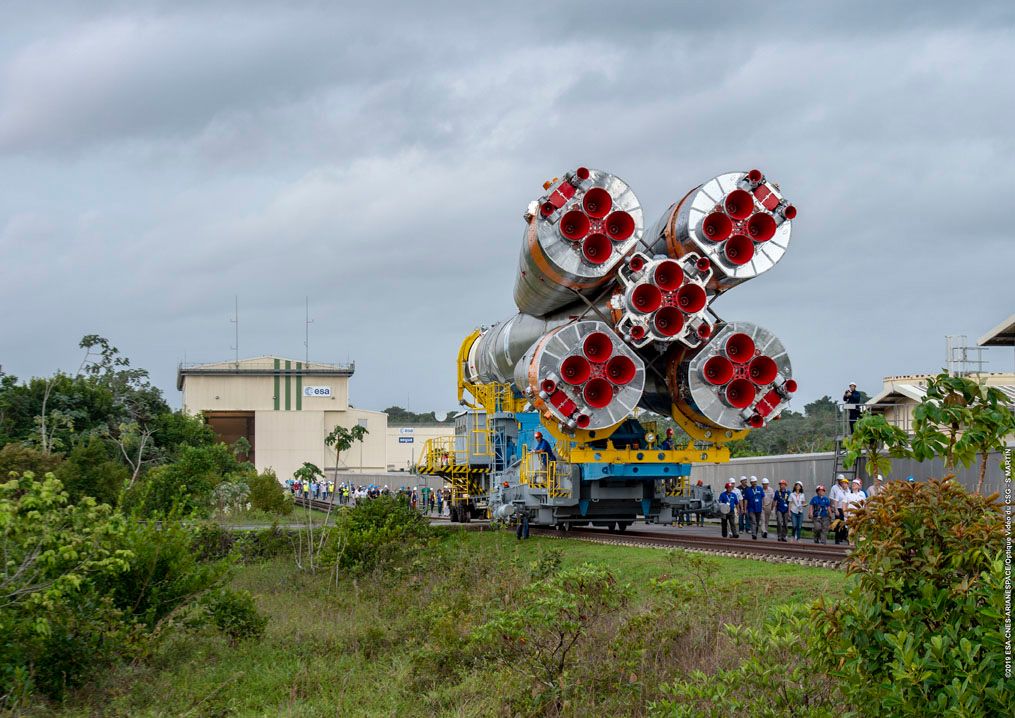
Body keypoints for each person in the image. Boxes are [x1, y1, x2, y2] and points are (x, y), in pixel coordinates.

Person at [829, 475, 850, 545]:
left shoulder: (849, 491)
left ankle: (843, 537)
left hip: (846, 510)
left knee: (845, 524)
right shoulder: (837, 490)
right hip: (839, 508)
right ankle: (837, 539)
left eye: (844, 483)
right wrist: (835, 509)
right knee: (838, 524)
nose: (843, 483)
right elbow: (834, 500)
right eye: (842, 482)